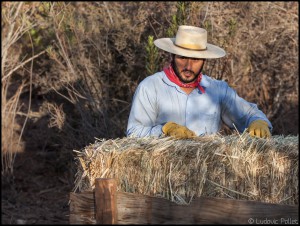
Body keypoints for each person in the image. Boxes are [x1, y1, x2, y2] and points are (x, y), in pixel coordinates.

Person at [126, 25, 272, 139]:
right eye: (182, 57)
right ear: (172, 56)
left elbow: (250, 114)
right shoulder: (150, 87)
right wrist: (164, 130)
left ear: (204, 60)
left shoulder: (217, 90)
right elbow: (133, 132)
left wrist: (258, 122)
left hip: (208, 174)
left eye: (195, 59)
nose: (188, 66)